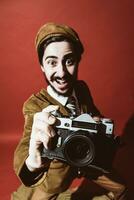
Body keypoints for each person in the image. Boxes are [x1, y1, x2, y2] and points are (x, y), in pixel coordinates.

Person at [12, 22, 128, 200]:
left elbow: (94, 113)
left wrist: (101, 126)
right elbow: (25, 147)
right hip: (56, 175)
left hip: (88, 157)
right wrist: (33, 162)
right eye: (52, 62)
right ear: (41, 66)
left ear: (78, 61)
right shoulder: (35, 105)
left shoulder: (81, 88)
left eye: (69, 61)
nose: (62, 72)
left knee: (123, 190)